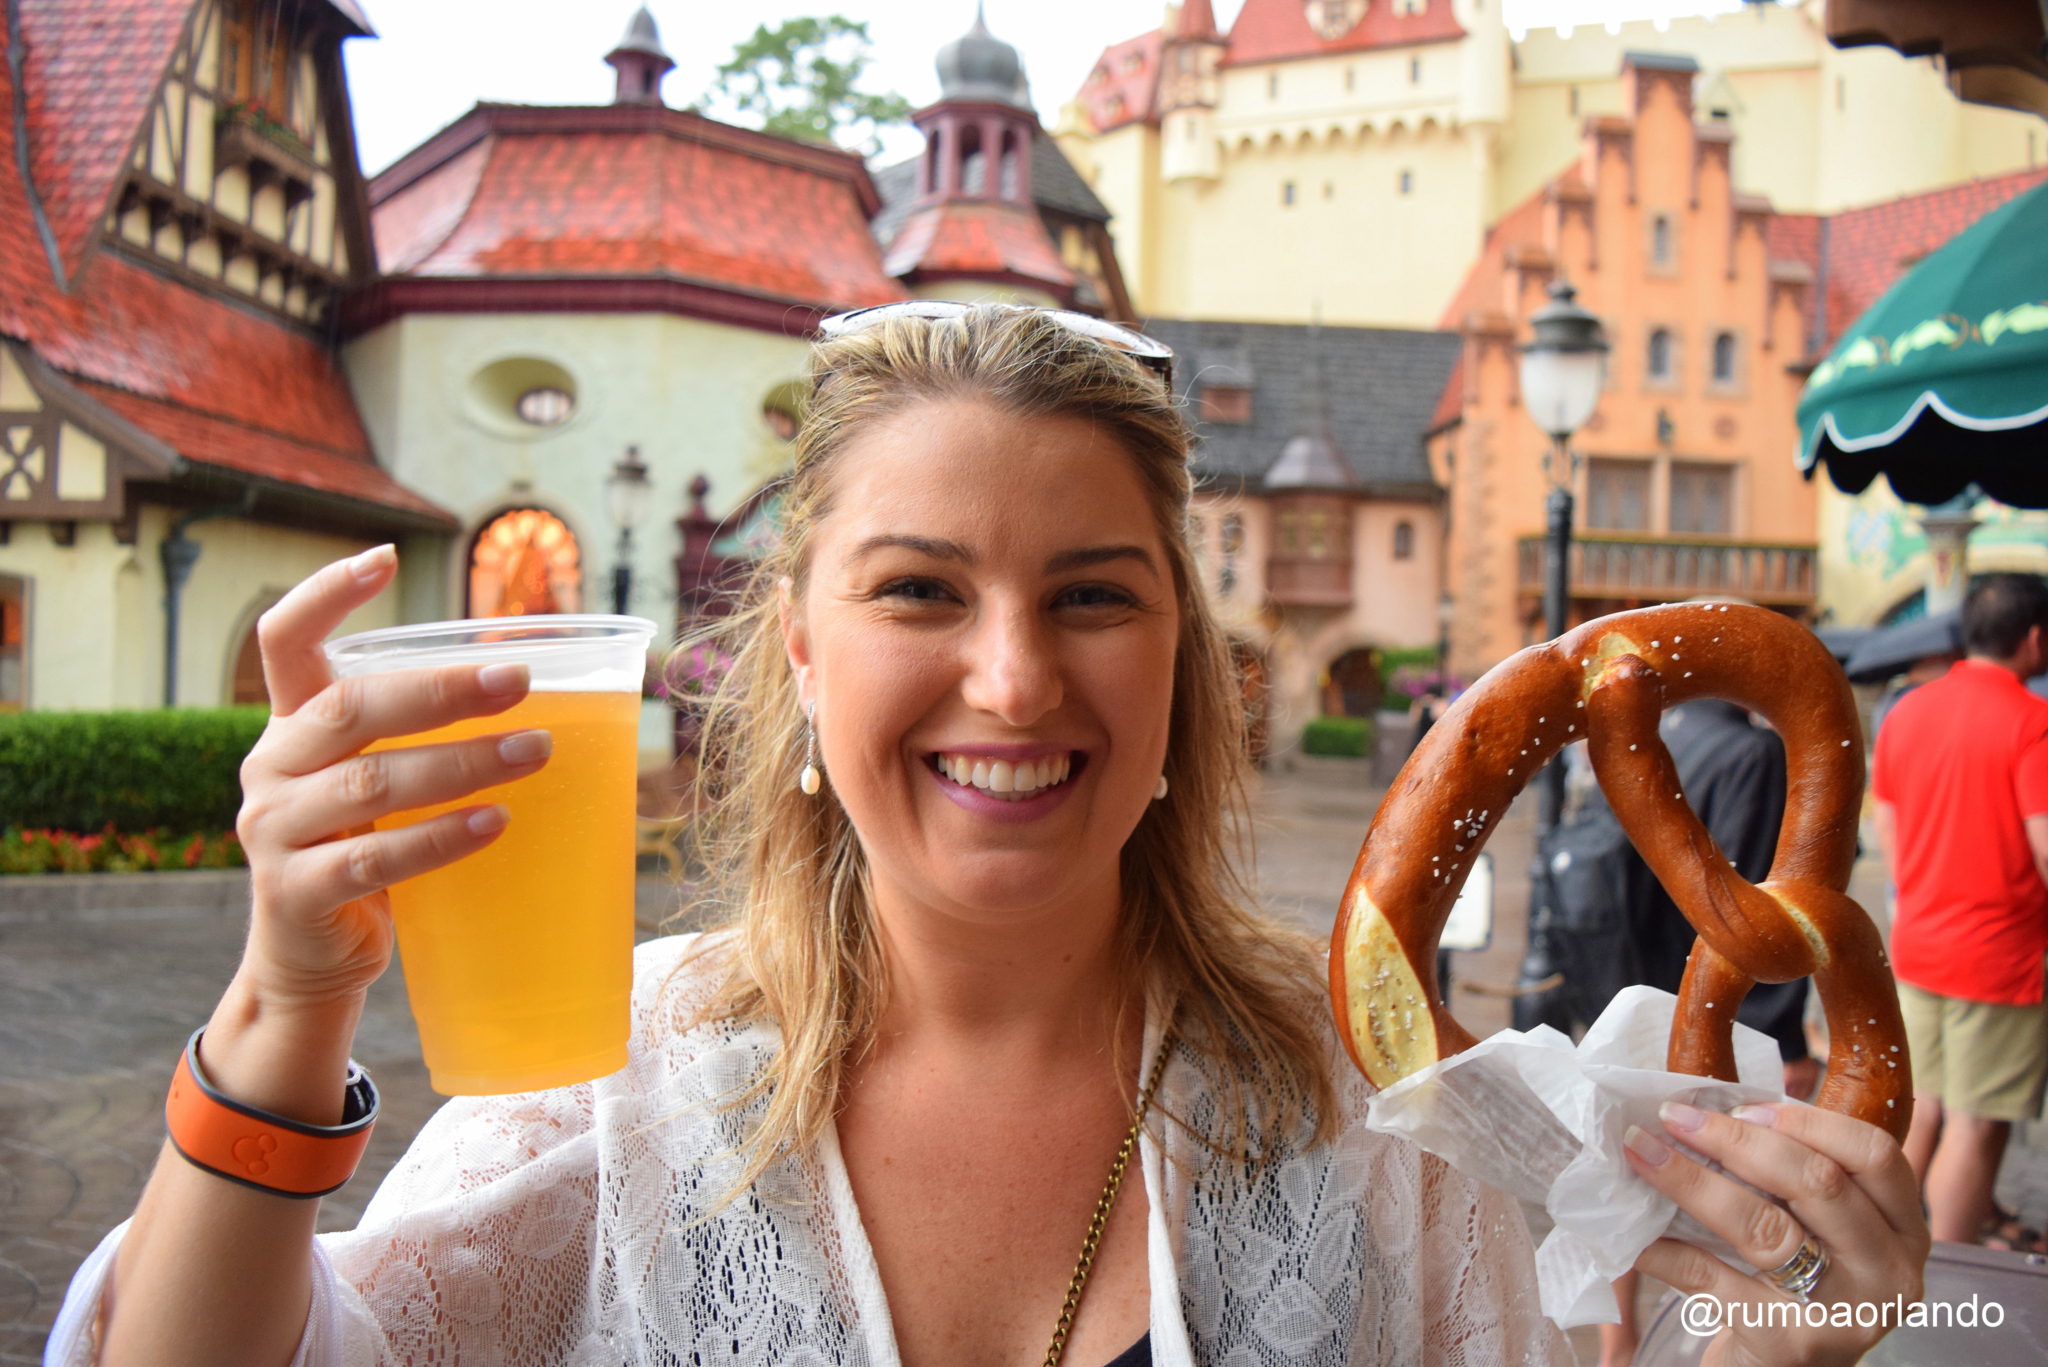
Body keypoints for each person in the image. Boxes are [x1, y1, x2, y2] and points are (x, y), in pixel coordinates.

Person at [52, 304, 1926, 1366]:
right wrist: (285, 1008)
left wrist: (1854, 1305)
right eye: (920, 590)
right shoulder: (610, 1100)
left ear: (1181, 659)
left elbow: (1695, 1340)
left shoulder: (1383, 1105)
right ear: (800, 651)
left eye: (1095, 595)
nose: (1013, 679)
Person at [1589, 696, 1817, 1367]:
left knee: (1622, 1160)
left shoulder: (1643, 738)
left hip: (1626, 989)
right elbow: (1753, 906)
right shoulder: (1755, 752)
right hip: (1707, 1010)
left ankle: (1616, 1340)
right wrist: (1788, 1040)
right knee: (1737, 1180)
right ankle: (1721, 1337)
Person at [1873, 572, 2048, 1248]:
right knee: (1976, 1124)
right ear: (2035, 638)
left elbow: (1888, 829)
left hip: (1918, 942)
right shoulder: (2033, 724)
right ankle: (1944, 1275)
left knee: (1923, 1109)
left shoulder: (1907, 711)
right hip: (1999, 959)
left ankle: (1879, 1248)